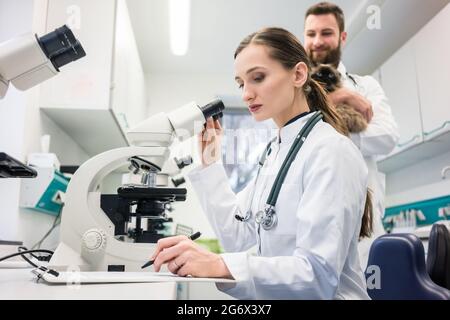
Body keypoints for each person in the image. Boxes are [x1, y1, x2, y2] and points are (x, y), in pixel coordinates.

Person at [150, 27, 372, 300]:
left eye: (258, 78)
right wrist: (210, 164)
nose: (246, 94)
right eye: (241, 83)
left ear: (299, 74)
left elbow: (317, 275)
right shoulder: (276, 153)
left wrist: (218, 264)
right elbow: (238, 238)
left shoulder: (331, 151)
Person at [303, 2, 399, 270]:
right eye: (311, 34)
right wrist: (340, 97)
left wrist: (337, 132)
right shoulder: (293, 90)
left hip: (362, 228)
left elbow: (388, 136)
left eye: (326, 33)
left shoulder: (365, 86)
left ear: (342, 37)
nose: (318, 41)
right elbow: (294, 131)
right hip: (307, 221)